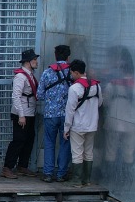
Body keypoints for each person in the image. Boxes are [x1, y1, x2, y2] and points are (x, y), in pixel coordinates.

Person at [2, 48, 40, 179]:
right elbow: (16, 96)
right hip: (22, 112)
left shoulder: (30, 75)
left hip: (30, 112)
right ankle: (7, 167)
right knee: (18, 140)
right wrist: (21, 115)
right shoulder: (20, 76)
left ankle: (22, 165)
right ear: (28, 62)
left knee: (29, 139)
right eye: (34, 59)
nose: (36, 62)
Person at [63, 58, 103, 186]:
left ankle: (76, 180)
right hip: (92, 124)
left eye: (71, 72)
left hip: (78, 125)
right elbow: (100, 103)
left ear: (75, 72)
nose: (70, 75)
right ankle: (87, 180)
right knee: (88, 152)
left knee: (77, 153)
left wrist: (66, 128)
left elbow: (70, 110)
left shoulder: (74, 88)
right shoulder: (96, 85)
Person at [38, 44, 73, 182]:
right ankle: (61, 174)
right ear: (68, 57)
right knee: (65, 143)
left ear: (55, 56)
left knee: (49, 142)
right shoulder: (72, 72)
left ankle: (47, 173)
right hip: (67, 115)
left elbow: (39, 94)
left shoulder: (47, 72)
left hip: (50, 114)